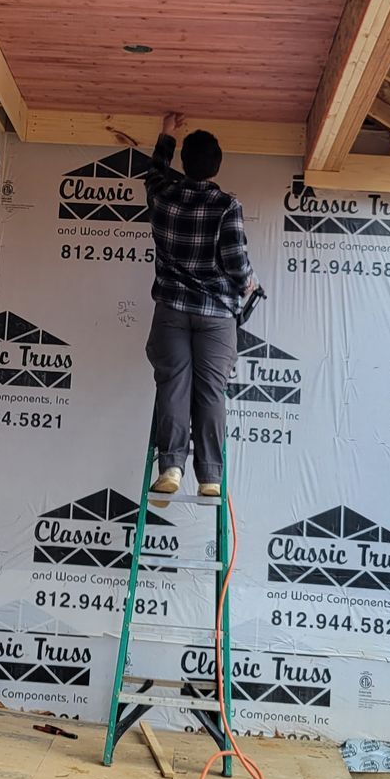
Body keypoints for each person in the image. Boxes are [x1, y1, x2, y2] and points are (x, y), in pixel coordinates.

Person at [144, 113, 257, 499]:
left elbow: (154, 171)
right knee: (210, 391)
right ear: (217, 166)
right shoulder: (226, 206)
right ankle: (209, 476)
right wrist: (249, 283)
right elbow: (235, 262)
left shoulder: (162, 194)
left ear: (184, 163)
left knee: (173, 385)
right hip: (215, 316)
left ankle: (171, 467)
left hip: (172, 310)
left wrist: (166, 135)